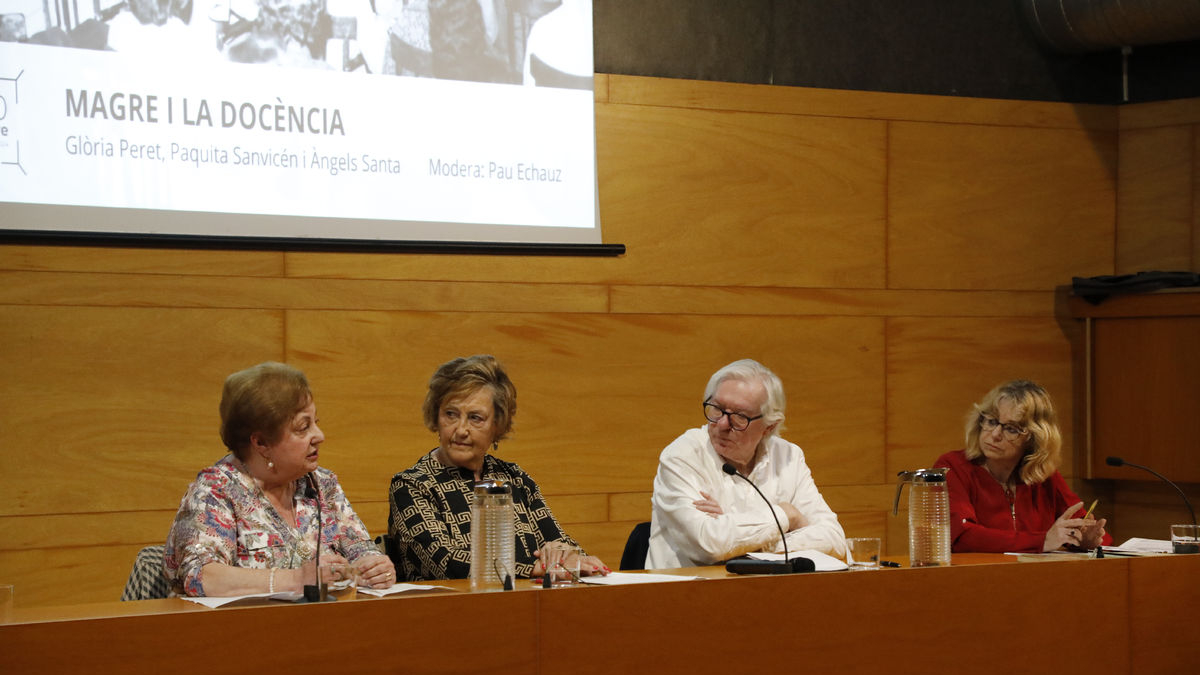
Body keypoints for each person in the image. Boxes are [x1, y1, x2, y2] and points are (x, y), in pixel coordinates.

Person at [165, 362, 395, 596]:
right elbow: (201, 577)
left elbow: (360, 550)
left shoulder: (323, 485)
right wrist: (296, 580)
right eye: (303, 427)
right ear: (261, 442)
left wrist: (372, 567)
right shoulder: (216, 491)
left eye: (317, 422)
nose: (320, 436)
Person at [388, 354, 608, 581]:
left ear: (497, 425)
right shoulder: (413, 485)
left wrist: (566, 553)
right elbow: (446, 563)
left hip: (525, 606)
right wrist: (536, 569)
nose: (461, 429)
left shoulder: (514, 478)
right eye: (451, 414)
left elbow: (559, 540)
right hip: (448, 610)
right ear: (436, 415)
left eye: (475, 418)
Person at [647, 359, 846, 569]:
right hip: (685, 593)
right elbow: (709, 545)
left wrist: (738, 537)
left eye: (739, 417)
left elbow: (835, 539)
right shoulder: (683, 456)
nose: (722, 424)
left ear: (769, 426)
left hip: (765, 592)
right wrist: (787, 516)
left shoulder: (788, 457)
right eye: (717, 409)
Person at [934, 380, 1110, 553]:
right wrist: (1042, 541)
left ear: (1033, 439)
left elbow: (1080, 526)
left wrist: (1084, 540)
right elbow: (962, 537)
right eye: (992, 421)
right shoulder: (952, 467)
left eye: (1011, 429)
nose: (995, 434)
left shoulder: (1043, 476)